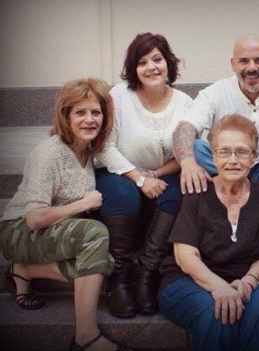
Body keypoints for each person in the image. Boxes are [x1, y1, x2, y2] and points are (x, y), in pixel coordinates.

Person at [0, 78, 133, 351]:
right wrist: (83, 204)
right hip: (18, 230)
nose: (89, 119)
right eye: (80, 112)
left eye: (96, 112)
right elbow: (34, 218)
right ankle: (86, 337)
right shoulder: (49, 153)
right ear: (66, 116)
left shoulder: (90, 150)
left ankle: (24, 270)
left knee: (105, 264)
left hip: (54, 230)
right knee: (95, 234)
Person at [94, 33, 193, 318]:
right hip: (120, 173)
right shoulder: (119, 96)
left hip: (161, 173)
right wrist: (139, 179)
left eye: (157, 59)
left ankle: (148, 273)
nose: (151, 67)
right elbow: (104, 147)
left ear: (168, 62)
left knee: (180, 191)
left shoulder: (185, 102)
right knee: (123, 193)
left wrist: (154, 175)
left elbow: (185, 154)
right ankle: (120, 278)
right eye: (142, 62)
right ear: (133, 69)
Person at [158, 114, 259, 351]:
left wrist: (249, 282)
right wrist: (217, 286)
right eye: (224, 152)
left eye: (242, 152)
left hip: (248, 278)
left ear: (254, 157)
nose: (232, 160)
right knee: (218, 312)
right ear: (212, 156)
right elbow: (185, 255)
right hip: (190, 280)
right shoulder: (198, 192)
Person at [172, 33, 259, 193]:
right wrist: (187, 163)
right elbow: (184, 128)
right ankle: (227, 195)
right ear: (233, 64)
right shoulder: (215, 92)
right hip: (227, 167)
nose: (252, 68)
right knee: (195, 147)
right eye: (244, 61)